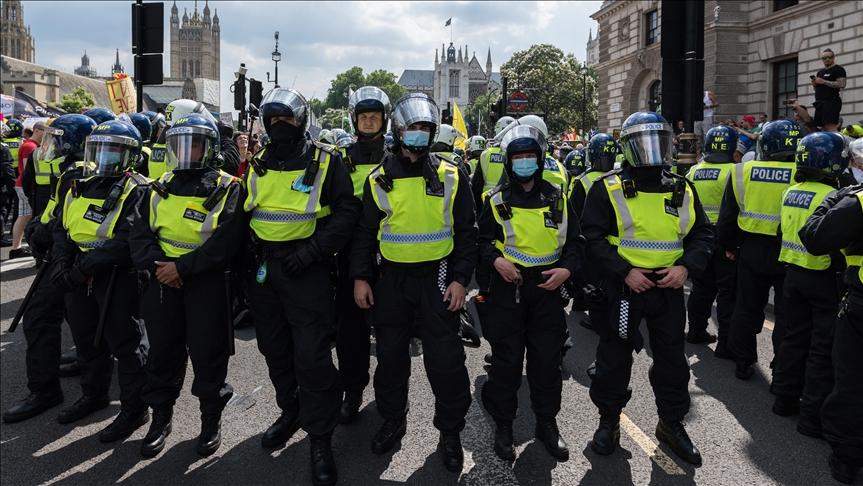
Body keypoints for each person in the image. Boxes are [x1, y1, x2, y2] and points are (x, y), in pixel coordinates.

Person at [351, 93, 475, 472]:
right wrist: (360, 278)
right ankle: (393, 418)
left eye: (425, 129)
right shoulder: (379, 179)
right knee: (390, 359)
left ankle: (450, 432)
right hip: (391, 280)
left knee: (446, 361)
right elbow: (364, 234)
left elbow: (468, 233)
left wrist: (459, 281)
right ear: (398, 132)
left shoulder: (451, 174)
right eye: (412, 129)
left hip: (438, 279)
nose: (418, 135)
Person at [583, 111, 712, 466]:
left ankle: (671, 424)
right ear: (627, 147)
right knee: (614, 359)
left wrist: (686, 267)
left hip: (668, 289)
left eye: (660, 140)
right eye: (643, 142)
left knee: (672, 361)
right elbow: (591, 237)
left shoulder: (682, 187)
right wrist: (623, 271)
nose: (653, 149)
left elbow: (701, 234)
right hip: (625, 288)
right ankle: (608, 421)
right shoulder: (608, 187)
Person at [243, 87, 358, 485]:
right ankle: (290, 411)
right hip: (265, 271)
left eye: (287, 120)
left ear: (302, 122)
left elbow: (346, 213)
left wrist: (313, 252)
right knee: (275, 350)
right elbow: (247, 213)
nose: (280, 127)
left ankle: (320, 438)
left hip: (305, 269)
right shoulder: (256, 162)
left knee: (311, 356)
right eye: (273, 121)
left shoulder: (326, 161)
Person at [129, 113, 245, 459]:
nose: (186, 150)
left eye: (194, 143)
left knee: (209, 355)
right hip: (162, 281)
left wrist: (182, 268)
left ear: (208, 148)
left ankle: (210, 420)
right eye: (179, 143)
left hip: (205, 285)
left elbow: (226, 244)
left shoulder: (228, 187)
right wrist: (161, 268)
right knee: (162, 352)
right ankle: (160, 418)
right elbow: (139, 236)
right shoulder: (156, 185)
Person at [478, 123, 581, 462]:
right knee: (507, 364)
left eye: (530, 156)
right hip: (510, 291)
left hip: (548, 292)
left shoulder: (558, 198)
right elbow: (480, 242)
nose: (525, 162)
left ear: (540, 160)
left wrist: (566, 270)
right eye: (518, 156)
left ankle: (547, 424)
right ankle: (505, 425)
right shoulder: (495, 200)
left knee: (546, 364)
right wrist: (496, 262)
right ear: (509, 161)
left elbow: (575, 245)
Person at [50, 119, 151, 441]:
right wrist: (64, 261)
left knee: (125, 342)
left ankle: (134, 410)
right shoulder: (79, 183)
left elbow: (127, 238)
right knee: (86, 338)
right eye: (101, 150)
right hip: (78, 270)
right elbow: (62, 226)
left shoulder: (138, 188)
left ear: (130, 155)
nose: (106, 158)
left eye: (114, 152)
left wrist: (86, 267)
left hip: (117, 275)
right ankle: (93, 395)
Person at [3, 114, 98, 424]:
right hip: (58, 257)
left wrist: (43, 233)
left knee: (50, 319)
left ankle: (54, 390)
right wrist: (38, 231)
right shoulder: (66, 171)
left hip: (71, 259)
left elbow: (67, 218)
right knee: (57, 320)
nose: (49, 145)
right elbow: (49, 208)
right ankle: (53, 386)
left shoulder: (81, 174)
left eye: (56, 139)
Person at [771, 132, 848, 430]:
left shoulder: (792, 190)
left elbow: (781, 231)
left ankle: (783, 398)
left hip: (793, 274)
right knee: (821, 346)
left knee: (793, 338)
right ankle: (810, 415)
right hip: (822, 276)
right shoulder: (833, 196)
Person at [717, 119, 801, 380]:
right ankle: (782, 367)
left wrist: (728, 246)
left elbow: (728, 216)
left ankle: (743, 361)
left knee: (746, 306)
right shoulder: (802, 170)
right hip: (788, 252)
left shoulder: (742, 171)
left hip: (750, 247)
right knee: (787, 316)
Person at [332, 86, 390, 426]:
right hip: (350, 253)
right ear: (355, 120)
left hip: (389, 252)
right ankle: (352, 391)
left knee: (390, 334)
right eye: (364, 117)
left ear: (383, 120)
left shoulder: (397, 154)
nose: (369, 122)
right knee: (349, 334)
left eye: (375, 117)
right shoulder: (341, 157)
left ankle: (390, 399)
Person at [800, 177, 863, 485]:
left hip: (860, 305)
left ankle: (847, 459)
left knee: (851, 379)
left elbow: (813, 236)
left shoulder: (858, 200)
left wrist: (833, 199)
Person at [685, 125, 739, 349]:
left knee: (701, 288)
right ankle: (725, 341)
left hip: (699, 237)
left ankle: (696, 330)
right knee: (727, 292)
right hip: (725, 237)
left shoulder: (693, 171)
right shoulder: (736, 171)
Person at [471, 116, 515, 207]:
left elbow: (477, 186)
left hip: (489, 203)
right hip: (514, 204)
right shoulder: (520, 154)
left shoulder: (486, 154)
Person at [9, 126, 38, 259]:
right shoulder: (30, 146)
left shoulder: (29, 145)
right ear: (37, 131)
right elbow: (28, 169)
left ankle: (16, 247)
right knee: (26, 216)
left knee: (24, 216)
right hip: (25, 185)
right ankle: (17, 248)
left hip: (21, 184)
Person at [812, 48, 847, 132]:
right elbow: (816, 89)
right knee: (821, 128)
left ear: (833, 57)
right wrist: (814, 84)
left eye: (829, 57)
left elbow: (842, 84)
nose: (827, 59)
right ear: (822, 60)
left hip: (831, 102)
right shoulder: (820, 72)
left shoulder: (838, 69)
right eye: (824, 58)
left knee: (830, 127)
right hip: (819, 103)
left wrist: (823, 81)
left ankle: (840, 144)